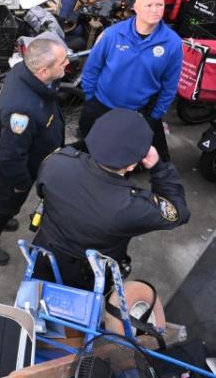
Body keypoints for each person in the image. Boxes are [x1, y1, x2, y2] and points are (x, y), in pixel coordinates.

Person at [31, 108, 190, 290]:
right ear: (131, 166)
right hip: (89, 275)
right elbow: (179, 211)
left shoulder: (55, 163)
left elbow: (43, 192)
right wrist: (158, 168)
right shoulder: (130, 207)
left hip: (44, 254)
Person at [0, 38, 68, 265]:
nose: (67, 64)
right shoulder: (22, 110)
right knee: (0, 203)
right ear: (44, 70)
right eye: (63, 61)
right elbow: (11, 156)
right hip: (15, 171)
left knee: (7, 205)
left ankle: (4, 216)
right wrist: (21, 184)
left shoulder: (25, 72)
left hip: (27, 157)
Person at [80, 0, 183, 162]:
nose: (155, 10)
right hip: (102, 104)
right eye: (148, 5)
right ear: (135, 8)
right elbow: (92, 68)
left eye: (160, 5)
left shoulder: (172, 43)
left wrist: (156, 114)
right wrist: (90, 98)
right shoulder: (113, 34)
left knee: (124, 155)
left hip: (137, 111)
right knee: (91, 147)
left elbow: (170, 84)